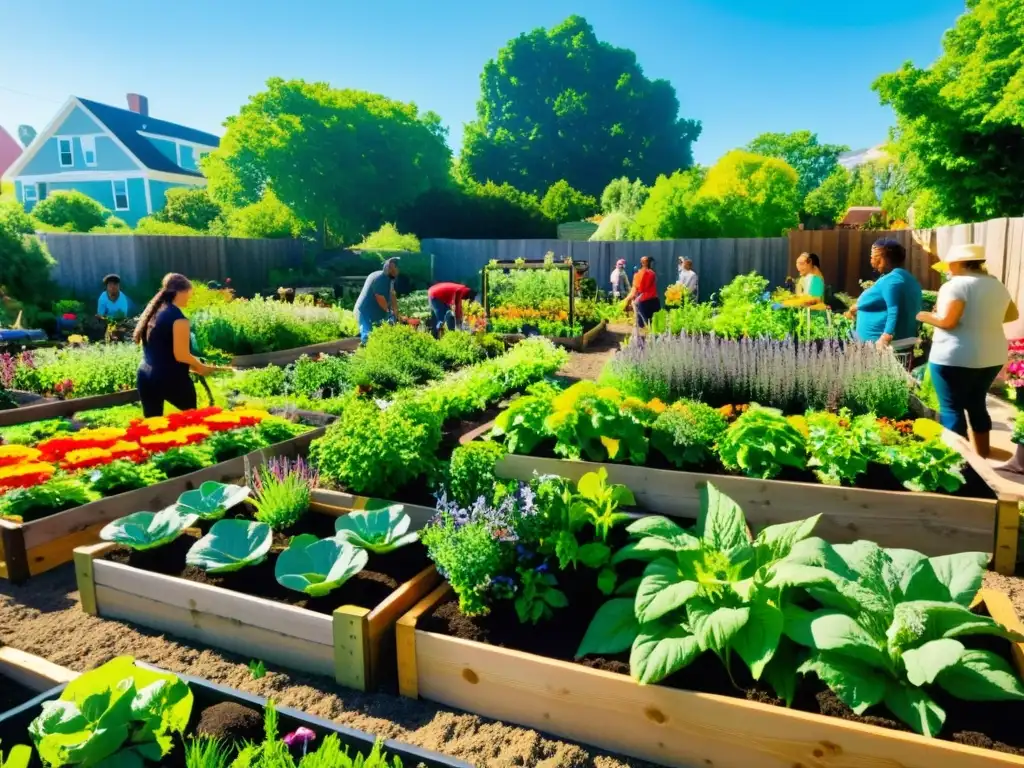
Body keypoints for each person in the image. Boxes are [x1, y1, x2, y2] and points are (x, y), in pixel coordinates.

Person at [917, 244, 1019, 455]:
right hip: (991, 355)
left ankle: (958, 462)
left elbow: (948, 322)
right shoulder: (996, 285)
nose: (948, 269)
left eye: (950, 265)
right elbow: (1011, 316)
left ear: (958, 263)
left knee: (951, 407)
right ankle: (982, 452)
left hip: (954, 356)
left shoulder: (955, 285)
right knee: (976, 403)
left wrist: (923, 315)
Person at [132, 273, 225, 418]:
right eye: (189, 293)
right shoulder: (179, 319)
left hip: (145, 375)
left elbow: (162, 350)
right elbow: (181, 355)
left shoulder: (154, 312)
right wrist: (201, 366)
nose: (190, 297)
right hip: (170, 379)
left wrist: (196, 366)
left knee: (152, 427)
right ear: (180, 292)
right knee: (193, 421)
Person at [849, 239, 922, 348]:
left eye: (873, 256)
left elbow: (893, 310)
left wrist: (885, 337)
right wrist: (858, 307)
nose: (871, 260)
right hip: (873, 346)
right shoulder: (905, 278)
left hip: (878, 349)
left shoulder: (893, 280)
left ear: (884, 259)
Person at [354, 257, 402, 344]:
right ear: (389, 269)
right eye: (396, 267)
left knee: (381, 332)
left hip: (375, 311)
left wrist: (396, 312)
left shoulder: (390, 280)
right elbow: (380, 298)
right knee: (367, 335)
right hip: (366, 311)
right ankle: (365, 350)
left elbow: (392, 294)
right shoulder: (381, 279)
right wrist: (389, 311)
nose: (398, 269)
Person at [623, 256, 660, 329]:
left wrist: (627, 300)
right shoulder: (651, 273)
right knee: (654, 327)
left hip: (646, 302)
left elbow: (635, 290)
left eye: (644, 261)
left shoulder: (641, 274)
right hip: (651, 302)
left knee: (644, 327)